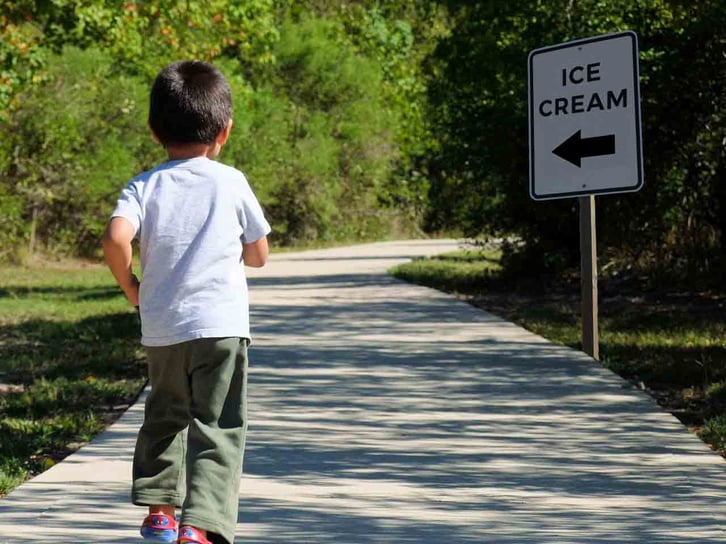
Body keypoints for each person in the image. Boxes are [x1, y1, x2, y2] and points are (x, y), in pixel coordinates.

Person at [102, 60, 270, 544]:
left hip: (163, 326)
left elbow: (117, 237)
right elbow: (258, 255)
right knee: (218, 423)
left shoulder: (144, 185)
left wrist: (131, 286)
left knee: (165, 414)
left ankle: (160, 514)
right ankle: (199, 527)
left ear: (154, 129)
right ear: (225, 131)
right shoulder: (232, 181)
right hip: (221, 326)